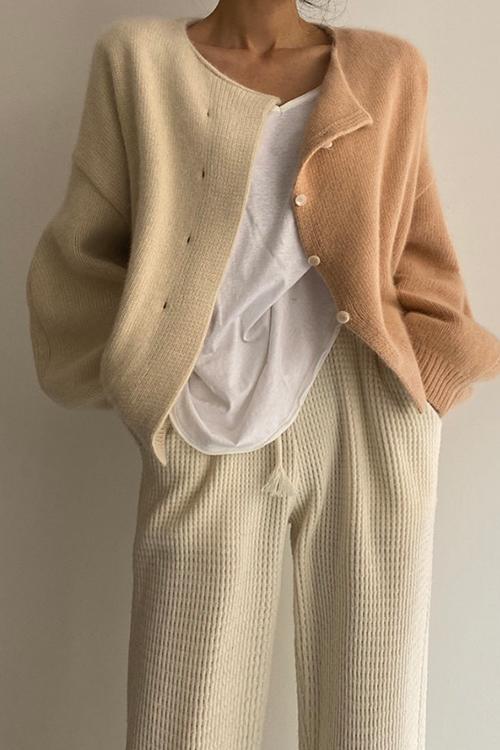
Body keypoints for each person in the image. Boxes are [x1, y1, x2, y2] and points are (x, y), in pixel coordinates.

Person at [25, 2, 500, 748]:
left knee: (373, 722)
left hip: (363, 404)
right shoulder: (138, 60)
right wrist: (144, 371)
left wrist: (428, 383)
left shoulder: (388, 70)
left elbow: (420, 251)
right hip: (200, 411)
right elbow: (84, 252)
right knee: (183, 724)